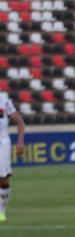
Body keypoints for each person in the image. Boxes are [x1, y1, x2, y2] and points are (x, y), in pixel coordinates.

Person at [0, 94, 26, 222]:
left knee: (3, 180)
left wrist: (20, 143)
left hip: (2, 143)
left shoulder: (4, 101)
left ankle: (2, 211)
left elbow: (19, 121)